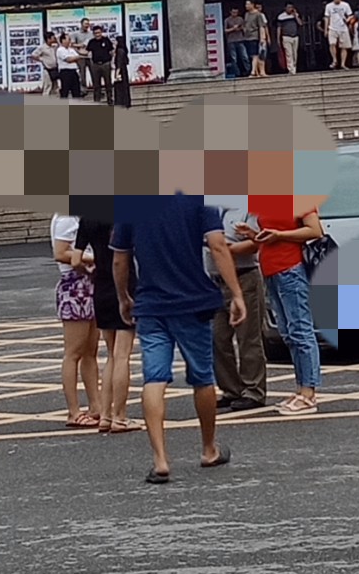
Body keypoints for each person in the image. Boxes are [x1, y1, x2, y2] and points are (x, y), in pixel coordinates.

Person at [112, 194, 245, 483]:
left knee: (154, 378)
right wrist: (236, 294)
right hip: (193, 301)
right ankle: (209, 449)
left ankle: (160, 459)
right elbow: (218, 245)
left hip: (151, 304)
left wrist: (123, 297)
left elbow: (120, 258)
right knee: (202, 377)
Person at [241, 198, 323, 414]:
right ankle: (301, 388)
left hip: (291, 268)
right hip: (272, 270)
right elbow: (268, 237)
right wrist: (253, 235)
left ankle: (308, 393)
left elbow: (315, 230)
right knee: (288, 333)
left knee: (300, 330)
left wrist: (280, 235)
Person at [75, 217, 136, 433]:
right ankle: (120, 417)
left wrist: (89, 271)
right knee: (122, 355)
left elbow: (75, 260)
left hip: (101, 287)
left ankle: (106, 416)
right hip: (124, 286)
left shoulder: (87, 219)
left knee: (111, 354)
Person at [208, 203, 267, 412]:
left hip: (244, 276)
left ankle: (253, 391)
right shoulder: (209, 208)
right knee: (217, 338)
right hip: (213, 280)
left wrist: (225, 250)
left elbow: (256, 243)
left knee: (248, 337)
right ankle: (230, 389)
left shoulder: (248, 207)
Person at [52, 212, 101, 428]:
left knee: (90, 351)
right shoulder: (67, 217)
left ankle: (96, 405)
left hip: (89, 282)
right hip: (75, 286)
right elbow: (61, 252)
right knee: (73, 352)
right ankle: (73, 411)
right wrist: (94, 257)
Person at [323, 0, 354, 69]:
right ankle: (334, 60)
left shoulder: (345, 5)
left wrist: (348, 20)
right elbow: (327, 18)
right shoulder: (329, 6)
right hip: (332, 27)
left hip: (343, 28)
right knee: (332, 44)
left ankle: (343, 64)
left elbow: (350, 15)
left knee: (344, 46)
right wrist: (326, 29)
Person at [85, 24, 115, 102]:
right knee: (96, 84)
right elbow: (87, 51)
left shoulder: (106, 40)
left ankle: (110, 99)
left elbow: (112, 51)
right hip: (95, 65)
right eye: (95, 33)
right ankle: (97, 100)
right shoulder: (91, 42)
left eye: (99, 33)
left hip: (105, 64)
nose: (97, 35)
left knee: (108, 83)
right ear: (93, 34)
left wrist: (111, 61)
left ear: (101, 32)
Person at [243, 0, 271, 77]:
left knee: (256, 54)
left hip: (255, 36)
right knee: (251, 55)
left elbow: (261, 27)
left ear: (252, 5)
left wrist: (262, 38)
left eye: (248, 4)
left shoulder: (258, 15)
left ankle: (253, 72)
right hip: (247, 37)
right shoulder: (246, 14)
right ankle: (257, 72)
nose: (246, 6)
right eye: (246, 4)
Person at [276, 3, 302, 73]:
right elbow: (279, 28)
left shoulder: (295, 15)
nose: (290, 9)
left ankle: (294, 67)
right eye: (288, 7)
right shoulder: (281, 16)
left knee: (295, 53)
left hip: (295, 36)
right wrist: (278, 38)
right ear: (285, 8)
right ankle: (290, 69)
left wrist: (295, 16)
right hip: (286, 36)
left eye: (291, 7)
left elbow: (300, 23)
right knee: (288, 53)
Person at [224, 6, 246, 79]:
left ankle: (247, 71)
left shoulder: (240, 19)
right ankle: (237, 73)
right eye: (233, 12)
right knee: (234, 58)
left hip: (240, 39)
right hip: (231, 41)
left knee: (244, 56)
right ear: (230, 12)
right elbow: (225, 30)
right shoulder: (227, 20)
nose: (235, 14)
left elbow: (244, 28)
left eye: (236, 12)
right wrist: (233, 29)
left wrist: (240, 28)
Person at [111, 36, 133, 108]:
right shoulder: (121, 50)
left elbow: (119, 64)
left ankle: (121, 102)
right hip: (123, 71)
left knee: (120, 88)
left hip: (120, 71)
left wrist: (116, 74)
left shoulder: (120, 51)